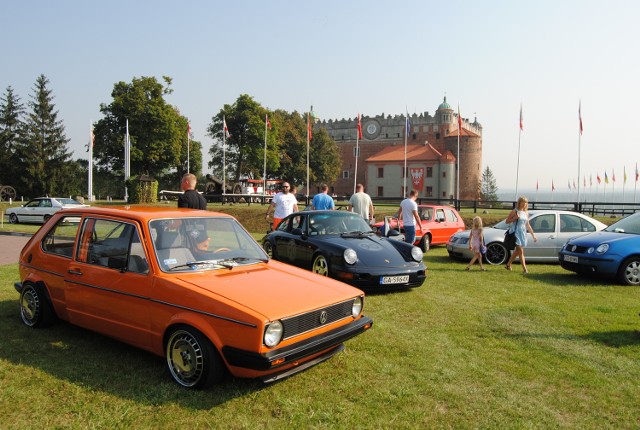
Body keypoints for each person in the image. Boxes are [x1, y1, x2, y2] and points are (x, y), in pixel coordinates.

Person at [505, 196, 537, 273]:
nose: (524, 204)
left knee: (517, 251)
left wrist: (533, 235)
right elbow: (507, 221)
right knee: (520, 251)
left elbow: (527, 225)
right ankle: (525, 269)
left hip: (523, 232)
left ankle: (508, 265)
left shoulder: (526, 212)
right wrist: (514, 218)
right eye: (523, 202)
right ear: (519, 203)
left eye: (525, 202)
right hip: (516, 232)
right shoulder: (514, 211)